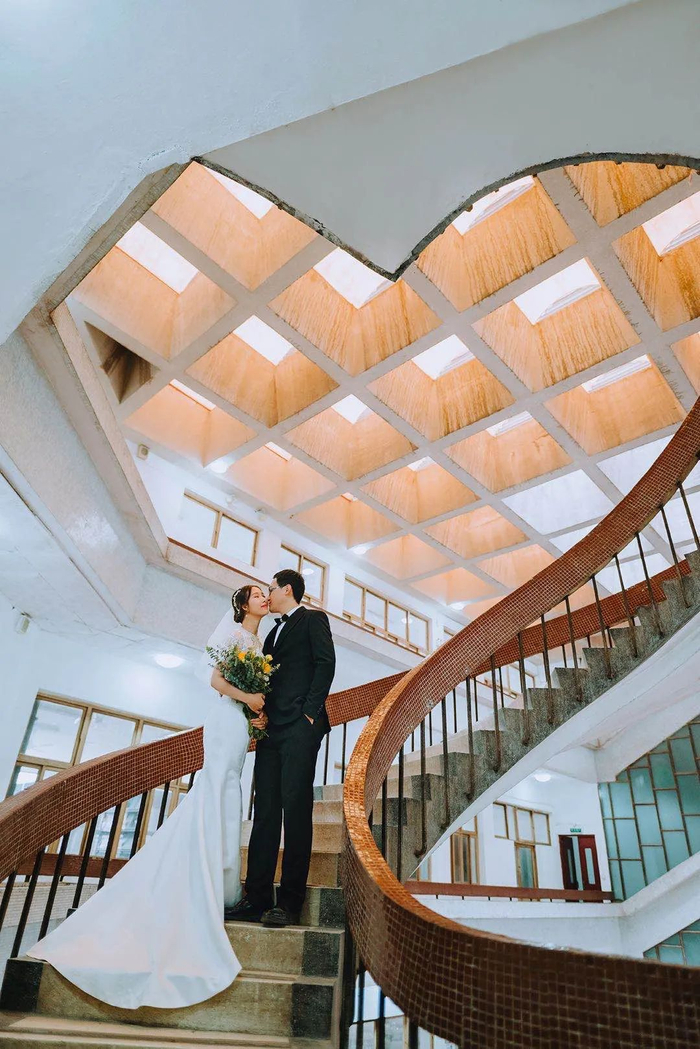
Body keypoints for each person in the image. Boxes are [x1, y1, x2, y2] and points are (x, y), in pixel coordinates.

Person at [26, 585, 269, 1010]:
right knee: (217, 789)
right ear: (243, 605)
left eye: (267, 594)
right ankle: (206, 878)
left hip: (239, 724)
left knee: (228, 791)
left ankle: (220, 880)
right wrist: (249, 698)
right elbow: (215, 679)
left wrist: (254, 713)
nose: (264, 598)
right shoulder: (234, 636)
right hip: (224, 720)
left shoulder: (257, 642)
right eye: (258, 594)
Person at [227, 568, 336, 928]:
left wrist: (309, 714)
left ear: (287, 589)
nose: (268, 595)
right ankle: (257, 898)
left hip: (301, 729)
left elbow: (325, 664)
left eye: (270, 589)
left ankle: (289, 903)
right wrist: (260, 716)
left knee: (296, 810)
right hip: (272, 732)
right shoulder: (271, 634)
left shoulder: (313, 620)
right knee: (265, 811)